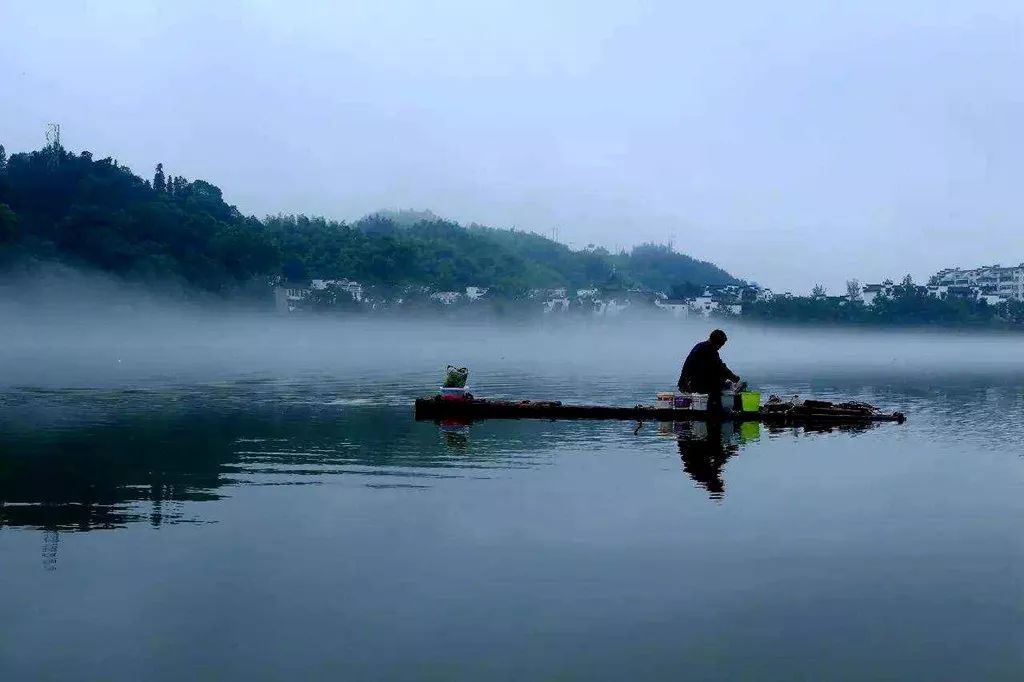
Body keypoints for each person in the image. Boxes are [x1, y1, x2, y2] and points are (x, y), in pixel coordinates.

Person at [677, 329, 740, 412]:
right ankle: (716, 408)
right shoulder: (709, 350)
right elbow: (721, 367)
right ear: (717, 343)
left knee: (719, 377)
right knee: (718, 381)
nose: (720, 348)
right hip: (693, 385)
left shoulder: (700, 346)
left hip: (688, 382)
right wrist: (734, 378)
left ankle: (716, 402)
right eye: (721, 345)